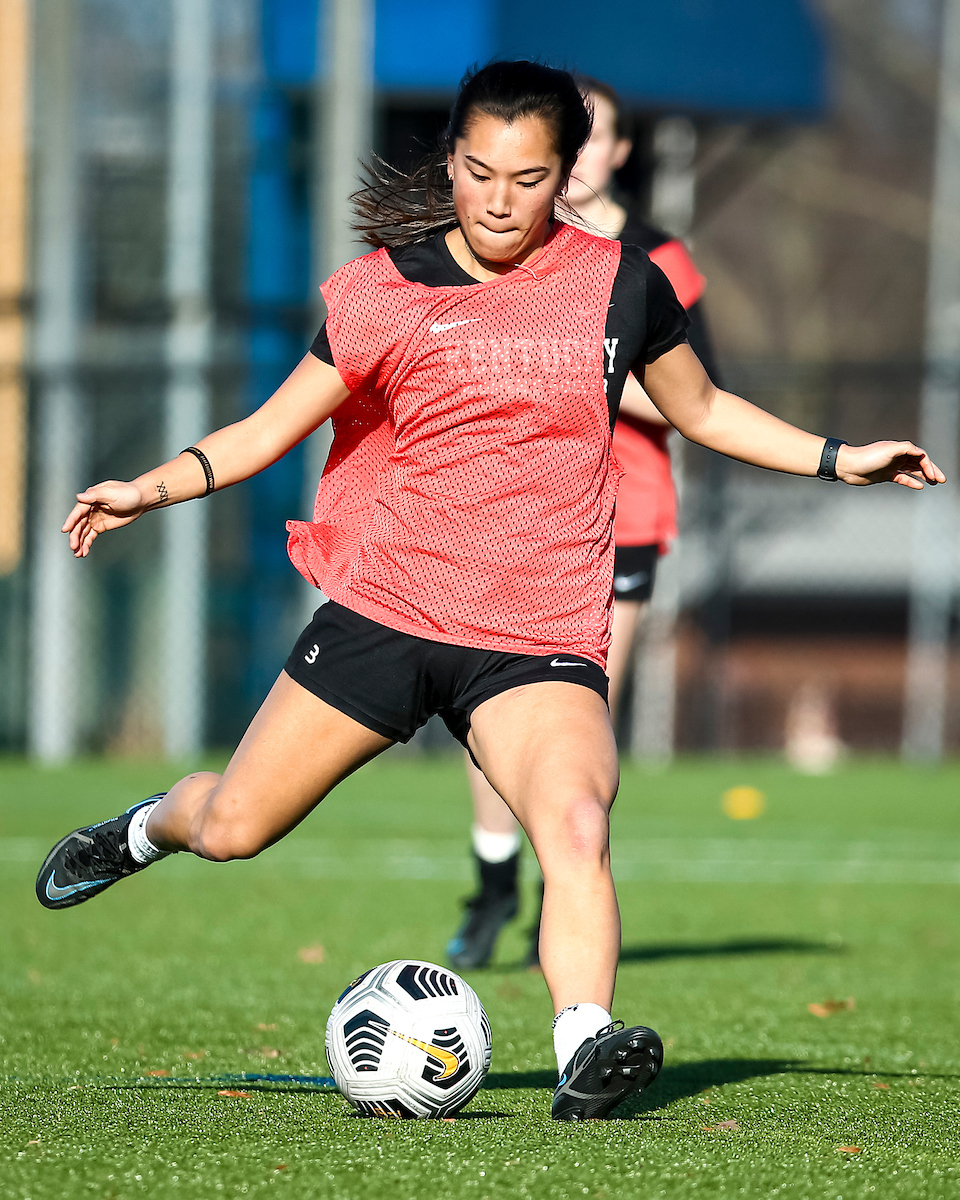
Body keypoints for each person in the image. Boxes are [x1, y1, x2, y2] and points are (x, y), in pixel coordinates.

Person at [36, 61, 942, 1122]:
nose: (498, 199)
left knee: (574, 820)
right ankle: (143, 829)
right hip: (389, 610)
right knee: (235, 825)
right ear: (452, 163)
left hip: (538, 630)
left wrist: (843, 458)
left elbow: (705, 411)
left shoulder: (622, 282)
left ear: (565, 176)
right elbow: (266, 430)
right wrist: (148, 487)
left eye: (526, 177)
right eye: (477, 172)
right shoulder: (386, 289)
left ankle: (584, 1042)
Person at [446, 77, 720, 972]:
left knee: (580, 719)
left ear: (613, 152)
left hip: (623, 514)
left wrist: (590, 372)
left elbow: (700, 397)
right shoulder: (516, 248)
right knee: (490, 713)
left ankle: (562, 897)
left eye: (598, 138)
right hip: (512, 513)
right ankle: (492, 883)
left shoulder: (656, 259)